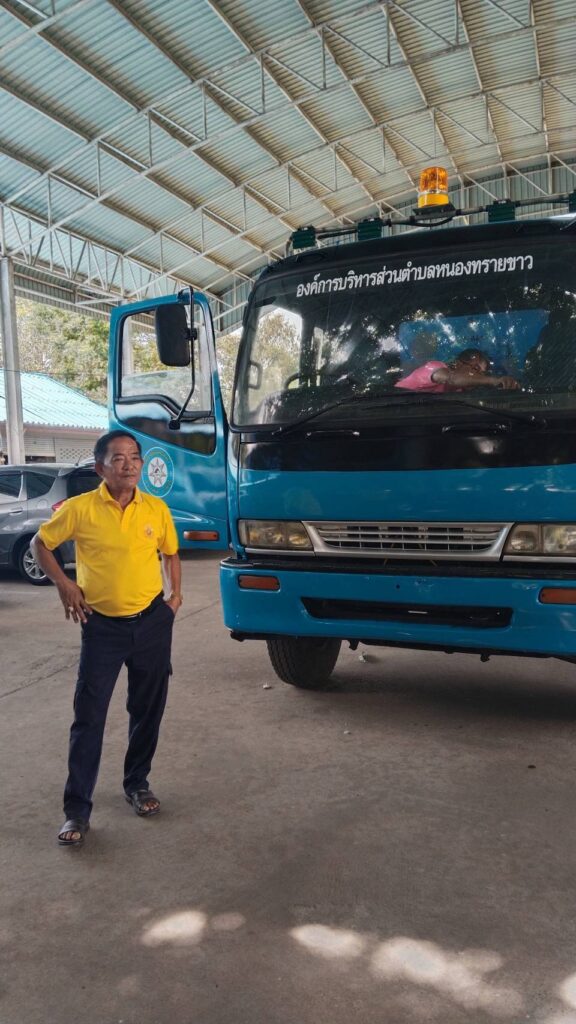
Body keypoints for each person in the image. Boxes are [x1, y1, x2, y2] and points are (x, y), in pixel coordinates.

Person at [31, 429, 182, 848]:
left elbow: (170, 553)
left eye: (134, 457)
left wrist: (174, 600)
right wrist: (63, 583)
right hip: (102, 628)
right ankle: (77, 809)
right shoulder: (80, 509)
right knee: (89, 716)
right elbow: (41, 543)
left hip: (152, 623)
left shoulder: (155, 508)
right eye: (118, 458)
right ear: (100, 467)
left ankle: (137, 784)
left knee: (147, 709)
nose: (129, 465)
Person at [395, 347, 519, 392]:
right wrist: (494, 381)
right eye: (475, 368)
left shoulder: (459, 393)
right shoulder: (435, 367)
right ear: (458, 364)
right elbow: (452, 378)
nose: (478, 375)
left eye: (482, 373)